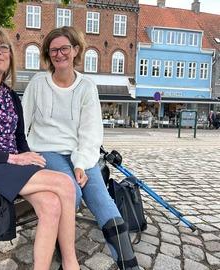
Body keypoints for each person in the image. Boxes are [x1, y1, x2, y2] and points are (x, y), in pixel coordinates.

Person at [0, 26, 79, 270]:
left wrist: (26, 156)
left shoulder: (10, 95)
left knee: (51, 204)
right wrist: (11, 158)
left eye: (3, 48)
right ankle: (71, 264)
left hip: (11, 167)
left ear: (10, 57)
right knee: (64, 183)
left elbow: (20, 140)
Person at [22, 26, 139, 270]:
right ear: (48, 54)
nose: (59, 54)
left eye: (65, 48)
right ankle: (65, 257)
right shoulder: (37, 83)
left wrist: (80, 163)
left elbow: (91, 132)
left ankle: (129, 264)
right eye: (53, 50)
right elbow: (23, 123)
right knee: (71, 193)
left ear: (75, 50)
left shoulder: (87, 87)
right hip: (46, 151)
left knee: (102, 200)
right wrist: (24, 153)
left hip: (81, 154)